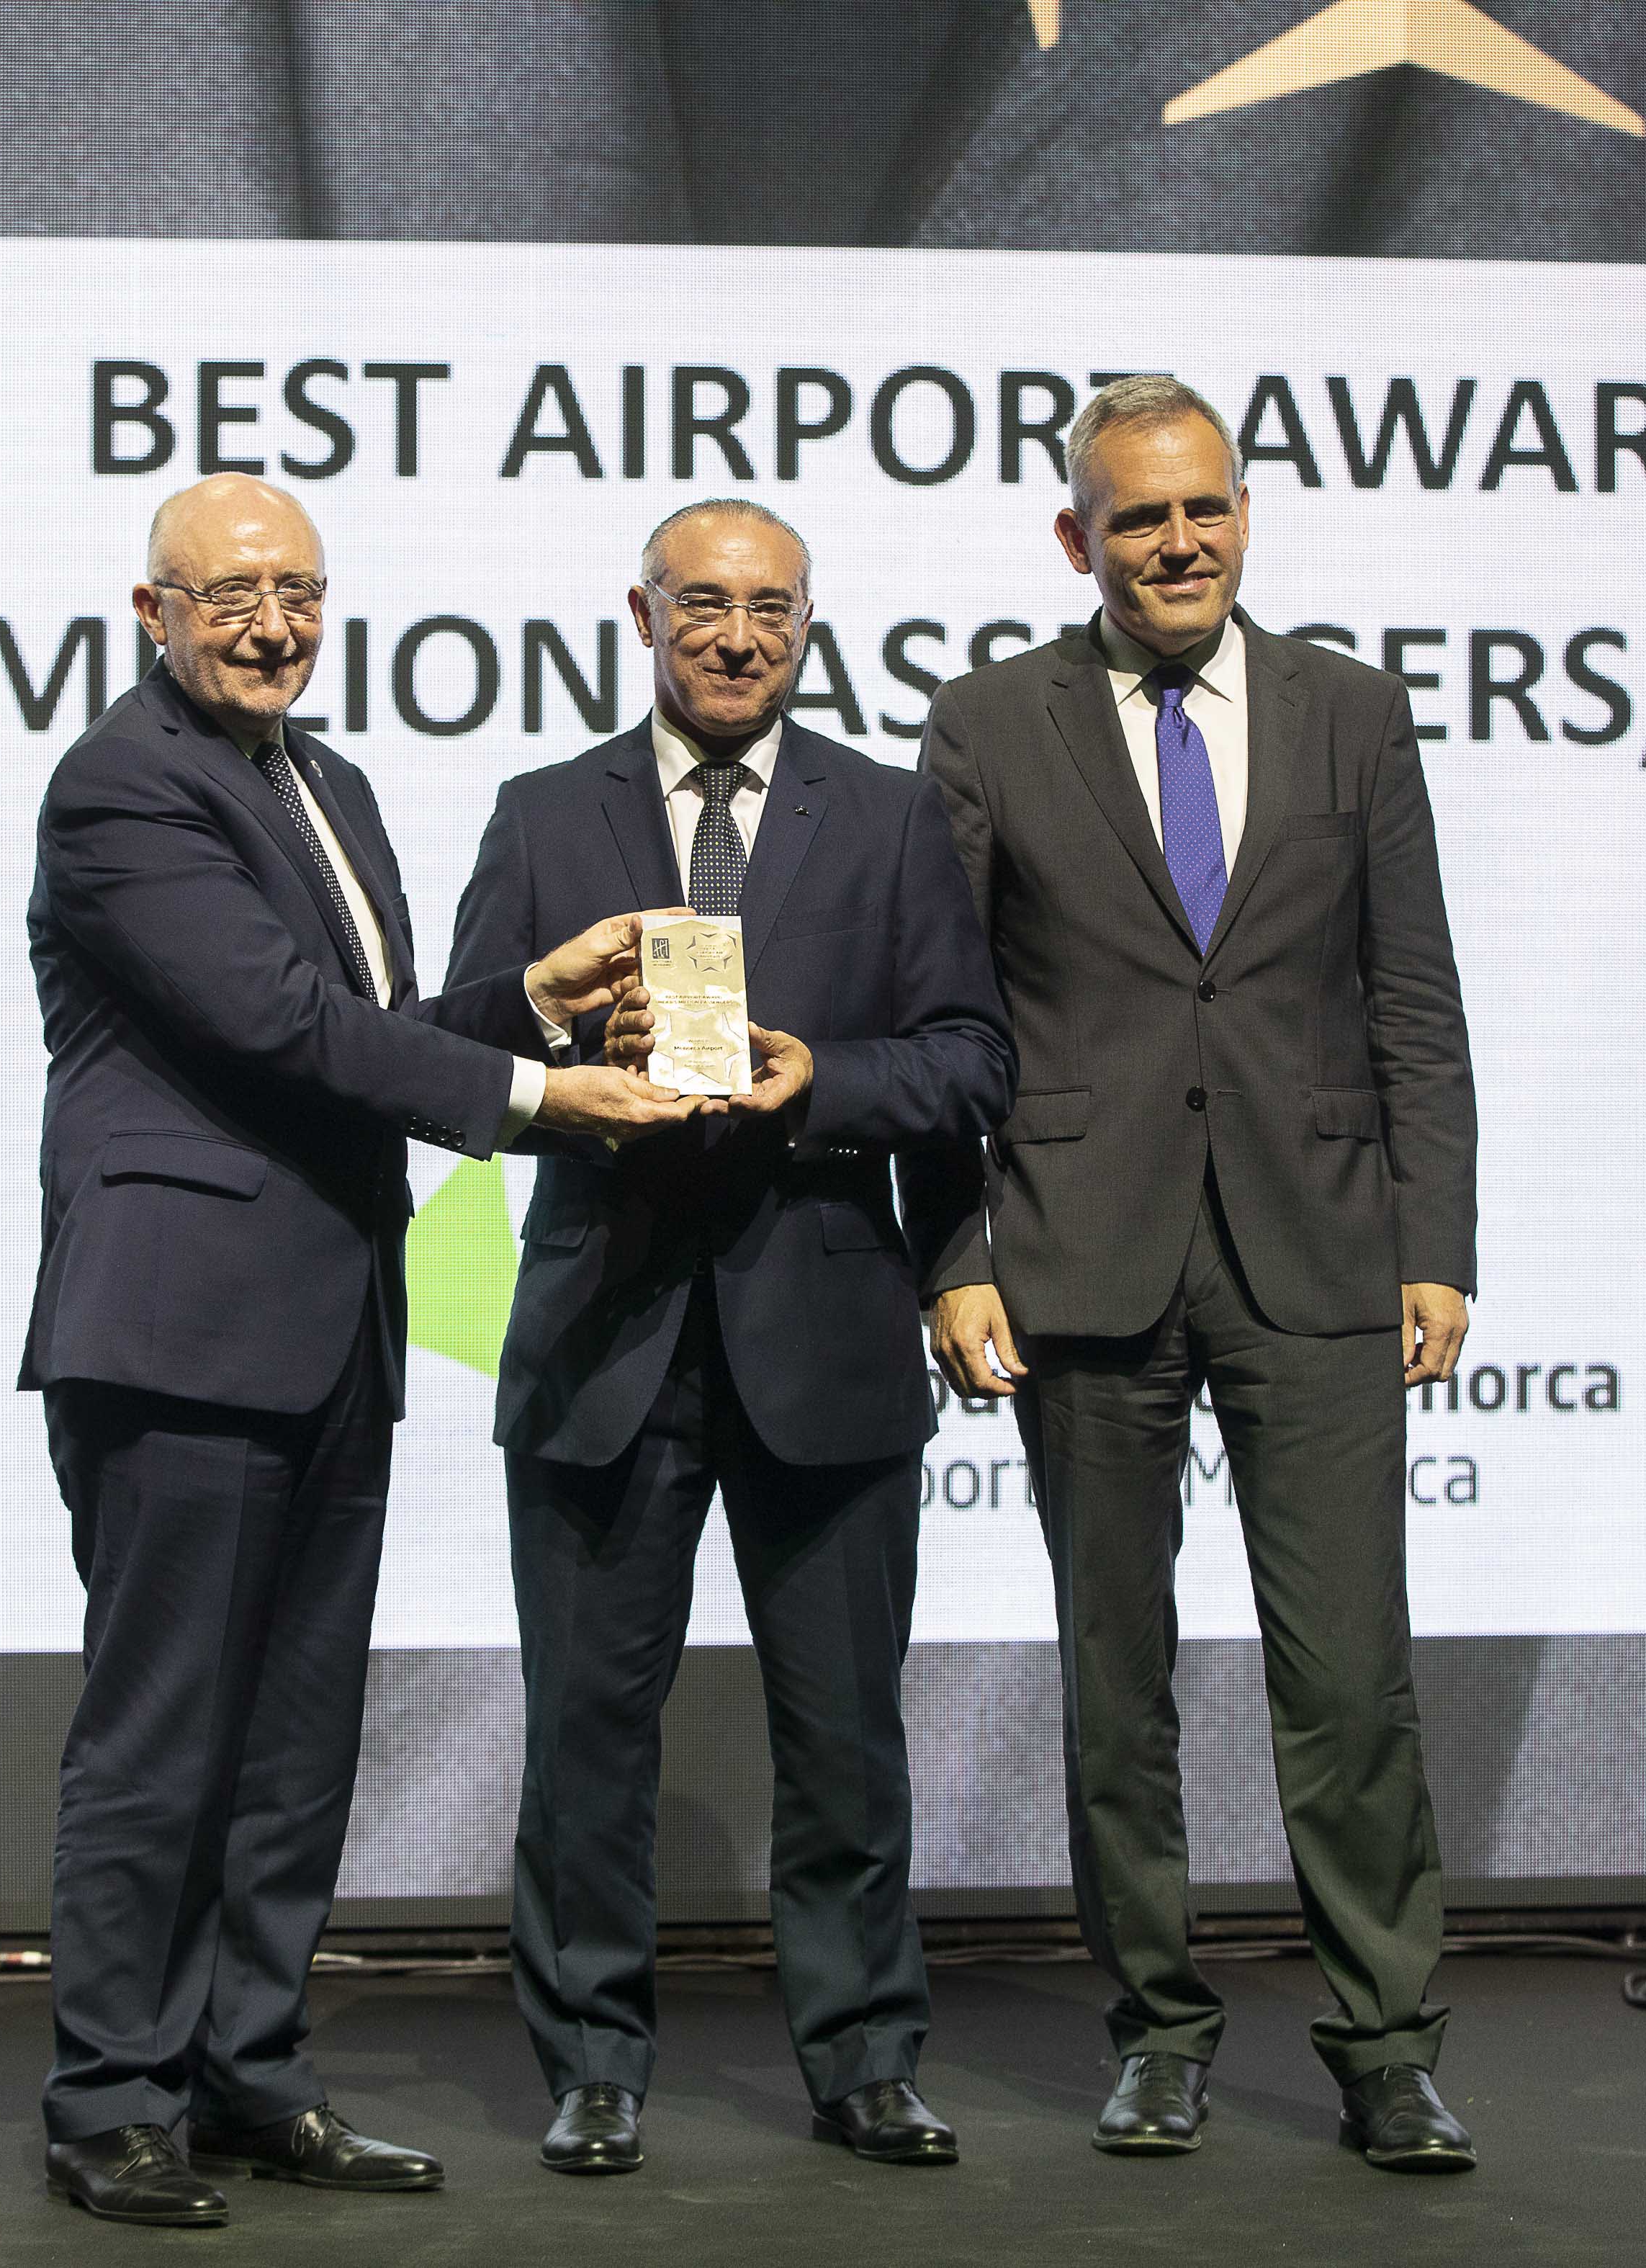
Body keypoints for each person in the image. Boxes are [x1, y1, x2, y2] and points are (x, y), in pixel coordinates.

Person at [21, 474, 695, 2227]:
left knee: (300, 1739)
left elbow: (370, 1039)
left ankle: (250, 2075)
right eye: (230, 594)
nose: (270, 625)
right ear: (149, 613)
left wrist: (530, 1002)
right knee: (166, 1732)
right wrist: (547, 1091)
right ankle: (113, 2100)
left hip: (333, 1326)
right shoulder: (119, 785)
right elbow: (270, 1024)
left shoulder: (333, 784)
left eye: (299, 594)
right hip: (176, 1330)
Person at [915, 377, 1484, 2171]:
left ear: (1242, 517)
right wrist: (954, 1255)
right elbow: (940, 1020)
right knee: (1114, 1674)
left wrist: (1439, 1243)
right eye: (1136, 517)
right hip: (1080, 1256)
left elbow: (1415, 999)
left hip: (1318, 1250)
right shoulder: (990, 722)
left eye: (1203, 510)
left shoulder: (1350, 712)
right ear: (1074, 537)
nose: (1175, 543)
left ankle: (1386, 2042)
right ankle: (1157, 2026)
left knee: (1347, 1676)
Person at [444, 500, 1014, 2176]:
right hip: (597, 1336)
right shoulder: (542, 813)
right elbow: (461, 1064)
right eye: (704, 606)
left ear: (808, 627)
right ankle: (593, 2064)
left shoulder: (895, 817)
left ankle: (861, 2058)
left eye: (771, 611)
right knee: (584, 1732)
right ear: (642, 615)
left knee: (843, 1731)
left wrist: (820, 1079)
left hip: (822, 1330)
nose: (737, 637)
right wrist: (561, 1040)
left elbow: (973, 1063)